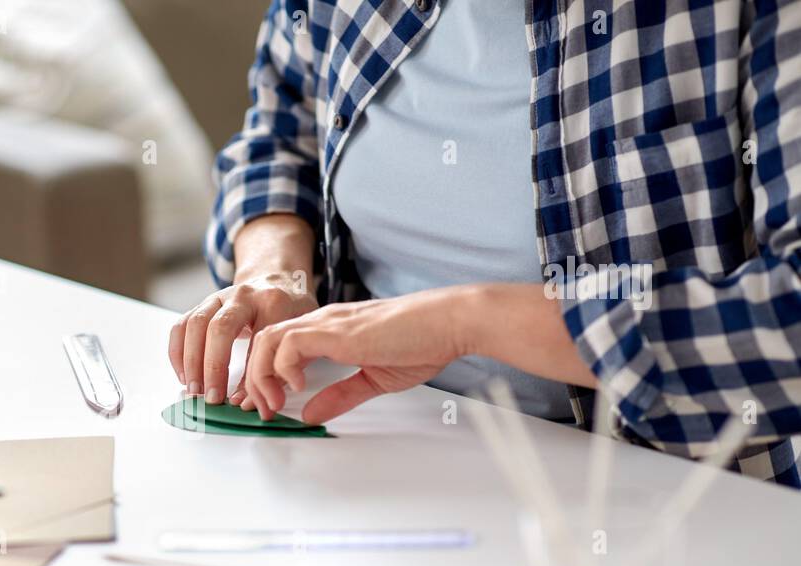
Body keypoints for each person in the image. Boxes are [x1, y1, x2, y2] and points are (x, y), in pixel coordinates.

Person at [167, 1, 801, 486]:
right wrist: (276, 272)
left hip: (670, 493)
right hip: (373, 448)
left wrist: (467, 320)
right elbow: (281, 134)